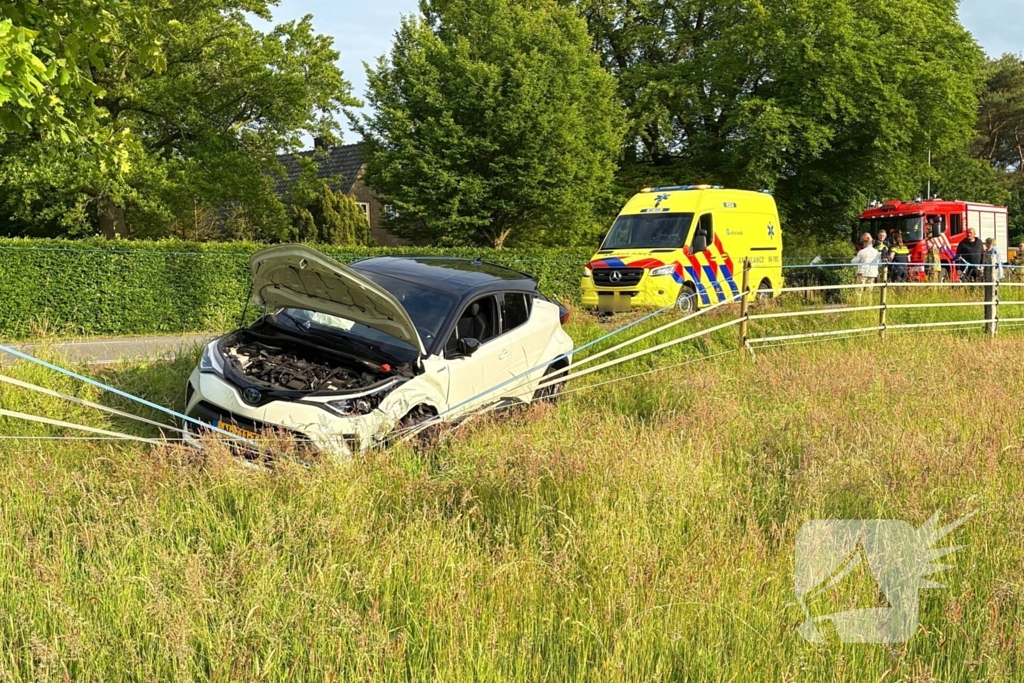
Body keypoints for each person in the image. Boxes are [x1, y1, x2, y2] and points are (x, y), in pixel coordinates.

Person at [852, 233, 880, 300]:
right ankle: (868, 306)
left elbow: (854, 262)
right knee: (869, 291)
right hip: (872, 274)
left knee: (859, 291)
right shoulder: (877, 252)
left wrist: (853, 258)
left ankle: (857, 305)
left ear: (864, 242)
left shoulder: (862, 252)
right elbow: (880, 264)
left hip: (862, 273)